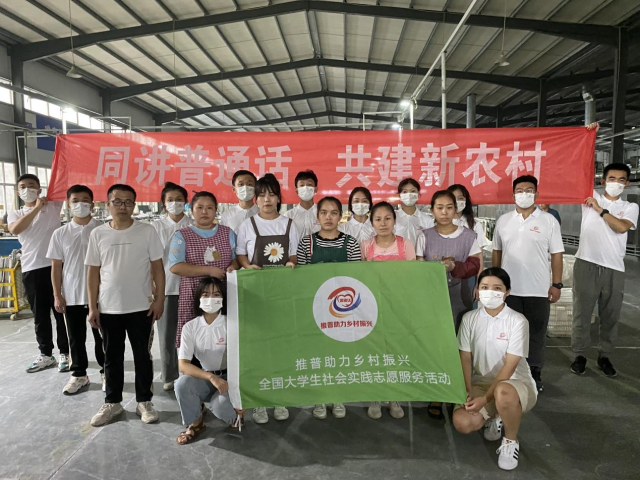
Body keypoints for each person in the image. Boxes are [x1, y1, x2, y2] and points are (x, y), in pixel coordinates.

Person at [86, 184, 165, 427]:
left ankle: (144, 401)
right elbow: (93, 272)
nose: (123, 206)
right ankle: (113, 402)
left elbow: (158, 269)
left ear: (134, 204)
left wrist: (160, 299)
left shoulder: (147, 231)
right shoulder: (98, 234)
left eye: (128, 202)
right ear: (108, 204)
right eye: (117, 201)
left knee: (142, 356)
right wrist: (92, 306)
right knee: (112, 357)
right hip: (109, 308)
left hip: (142, 307)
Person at [453, 268, 537, 472]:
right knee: (462, 422)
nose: (490, 292)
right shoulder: (470, 318)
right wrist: (468, 390)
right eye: (484, 287)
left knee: (503, 392)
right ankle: (495, 415)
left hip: (514, 383)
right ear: (477, 290)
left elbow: (510, 365)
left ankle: (510, 441)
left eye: (497, 288)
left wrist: (485, 399)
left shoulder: (517, 321)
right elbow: (465, 357)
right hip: (481, 382)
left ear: (507, 292)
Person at [236, 173, 300, 424]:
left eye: (272, 194)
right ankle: (259, 401)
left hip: (282, 294)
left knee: (282, 346)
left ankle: (280, 397)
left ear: (279, 198)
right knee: (258, 347)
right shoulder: (247, 225)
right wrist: (247, 267)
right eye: (262, 195)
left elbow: (293, 255)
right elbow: (241, 255)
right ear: (255, 199)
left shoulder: (289, 224)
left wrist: (291, 264)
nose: (267, 199)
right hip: (256, 294)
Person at [492, 175, 564, 393]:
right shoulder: (503, 221)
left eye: (529, 190)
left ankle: (534, 371)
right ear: (513, 195)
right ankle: (509, 371)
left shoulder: (548, 221)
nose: (524, 194)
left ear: (537, 194)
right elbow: (497, 251)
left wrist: (557, 284)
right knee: (508, 332)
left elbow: (557, 254)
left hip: (538, 289)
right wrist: (495, 282)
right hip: (509, 290)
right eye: (520, 190)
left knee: (536, 333)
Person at [571, 162, 638, 377]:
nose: (616, 183)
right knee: (582, 312)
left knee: (610, 314)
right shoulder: (590, 197)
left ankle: (605, 355)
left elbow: (621, 227)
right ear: (603, 181)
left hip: (614, 267)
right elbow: (576, 173)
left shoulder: (630, 207)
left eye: (621, 180)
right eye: (612, 179)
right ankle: (580, 355)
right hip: (586, 263)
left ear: (627, 184)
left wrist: (600, 210)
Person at [296, 196, 361, 421]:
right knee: (317, 352)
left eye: (334, 213)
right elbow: (301, 278)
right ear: (318, 216)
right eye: (324, 212)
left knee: (339, 353)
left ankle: (338, 396)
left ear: (340, 217)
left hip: (343, 308)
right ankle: (320, 398)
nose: (328, 217)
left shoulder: (351, 243)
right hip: (316, 306)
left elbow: (356, 277)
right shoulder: (307, 243)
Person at [421, 190, 481, 420]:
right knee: (436, 344)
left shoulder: (469, 236)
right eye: (439, 207)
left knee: (461, 346)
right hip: (433, 299)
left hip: (461, 297)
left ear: (456, 209)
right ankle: (437, 392)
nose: (444, 212)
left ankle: (460, 391)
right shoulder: (424, 236)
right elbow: (418, 267)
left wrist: (455, 267)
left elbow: (475, 265)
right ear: (432, 210)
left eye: (449, 207)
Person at [8, 173, 69, 373]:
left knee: (61, 313)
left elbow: (63, 179)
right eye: (23, 186)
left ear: (40, 189)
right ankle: (46, 354)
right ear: (18, 192)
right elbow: (15, 229)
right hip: (32, 269)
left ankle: (65, 353)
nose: (28, 189)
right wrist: (36, 208)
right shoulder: (16, 213)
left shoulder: (53, 206)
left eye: (32, 185)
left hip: (56, 266)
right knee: (40, 315)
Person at [360, 201, 415, 420]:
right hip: (372, 307)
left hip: (398, 306)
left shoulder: (405, 245)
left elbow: (413, 276)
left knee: (395, 351)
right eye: (378, 219)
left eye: (387, 218)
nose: (383, 223)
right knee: (374, 351)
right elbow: (359, 278)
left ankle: (394, 396)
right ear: (371, 222)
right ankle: (375, 395)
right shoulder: (365, 246)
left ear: (394, 220)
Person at [47, 185, 104, 395]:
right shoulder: (60, 233)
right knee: (75, 337)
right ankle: (79, 374)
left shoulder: (103, 230)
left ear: (92, 204)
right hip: (71, 295)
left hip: (100, 295)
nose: (81, 204)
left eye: (85, 200)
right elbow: (56, 267)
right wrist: (57, 294)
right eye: (75, 201)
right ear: (69, 205)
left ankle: (107, 372)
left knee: (103, 337)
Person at [175, 277, 242, 444]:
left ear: (223, 299)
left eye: (216, 294)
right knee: (182, 384)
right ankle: (195, 423)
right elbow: (183, 364)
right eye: (205, 294)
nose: (210, 298)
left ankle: (235, 415)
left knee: (220, 407)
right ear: (199, 298)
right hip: (207, 378)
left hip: (230, 379)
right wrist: (211, 377)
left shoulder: (231, 324)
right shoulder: (190, 327)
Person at [169, 191, 237, 350]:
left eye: (209, 208)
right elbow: (176, 266)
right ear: (191, 210)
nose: (204, 211)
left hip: (223, 293)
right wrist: (209, 270)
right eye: (199, 207)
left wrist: (233, 266)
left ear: (216, 210)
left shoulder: (228, 233)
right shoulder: (181, 235)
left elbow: (236, 258)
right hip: (193, 295)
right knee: (193, 342)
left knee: (224, 340)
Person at [152, 182, 191, 391]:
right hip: (166, 287)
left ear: (185, 202)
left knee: (190, 333)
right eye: (170, 200)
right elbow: (152, 258)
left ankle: (190, 372)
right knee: (167, 334)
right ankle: (169, 374)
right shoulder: (156, 227)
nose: (175, 203)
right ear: (163, 203)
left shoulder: (193, 224)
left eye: (179, 199)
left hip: (191, 286)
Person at [448, 184, 489, 305]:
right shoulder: (438, 224)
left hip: (468, 276)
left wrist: (478, 284)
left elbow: (479, 258)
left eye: (460, 198)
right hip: (444, 274)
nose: (457, 201)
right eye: (453, 198)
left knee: (467, 310)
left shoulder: (474, 225)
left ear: (466, 201)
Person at [394, 177, 434, 247]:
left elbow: (431, 243)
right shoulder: (392, 218)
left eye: (413, 191)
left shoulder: (427, 220)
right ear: (400, 195)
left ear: (418, 194)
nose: (409, 194)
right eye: (405, 192)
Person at [219, 170, 259, 234]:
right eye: (241, 184)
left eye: (249, 184)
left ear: (255, 188)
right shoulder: (227, 215)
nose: (245, 187)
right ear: (234, 189)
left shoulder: (262, 213)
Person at [284, 169, 321, 237]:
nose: (305, 188)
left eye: (309, 184)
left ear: (315, 189)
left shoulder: (322, 213)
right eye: (302, 185)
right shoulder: (288, 216)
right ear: (296, 190)